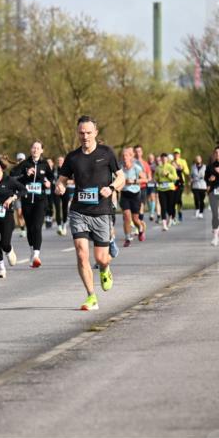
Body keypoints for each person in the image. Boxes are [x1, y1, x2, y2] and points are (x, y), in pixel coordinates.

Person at [54, 116, 124, 311]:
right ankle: (91, 297)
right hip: (79, 212)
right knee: (81, 253)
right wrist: (59, 186)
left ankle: (105, 268)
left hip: (101, 211)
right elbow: (61, 180)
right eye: (81, 133)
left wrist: (111, 188)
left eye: (88, 133)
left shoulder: (106, 153)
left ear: (96, 133)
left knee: (101, 258)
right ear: (78, 133)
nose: (84, 136)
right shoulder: (73, 157)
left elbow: (121, 177)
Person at [10, 140, 54, 268]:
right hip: (27, 199)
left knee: (37, 226)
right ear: (31, 150)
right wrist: (25, 174)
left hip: (40, 200)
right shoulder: (25, 163)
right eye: (33, 148)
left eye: (38, 148)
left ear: (42, 151)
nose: (35, 150)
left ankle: (36, 255)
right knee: (30, 227)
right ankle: (31, 251)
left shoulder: (45, 164)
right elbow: (12, 175)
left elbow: (51, 178)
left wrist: (48, 183)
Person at [119, 147, 145, 247]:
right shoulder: (120, 169)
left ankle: (141, 228)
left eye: (126, 155)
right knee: (126, 217)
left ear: (130, 157)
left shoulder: (136, 168)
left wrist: (133, 181)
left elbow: (145, 179)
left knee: (135, 219)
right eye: (123, 156)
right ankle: (128, 237)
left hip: (135, 195)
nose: (124, 157)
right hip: (125, 194)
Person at [154, 154, 179, 231]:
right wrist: (157, 179)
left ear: (167, 159)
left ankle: (170, 217)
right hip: (161, 189)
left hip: (170, 188)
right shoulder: (158, 168)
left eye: (165, 158)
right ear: (161, 159)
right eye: (162, 159)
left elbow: (175, 178)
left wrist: (168, 175)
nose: (164, 160)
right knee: (163, 206)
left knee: (170, 206)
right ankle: (164, 224)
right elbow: (156, 177)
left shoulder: (171, 167)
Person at [55, 155, 72, 236]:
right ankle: (59, 227)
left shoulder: (68, 169)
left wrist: (65, 182)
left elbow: (73, 180)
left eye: (61, 160)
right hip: (56, 191)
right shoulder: (54, 170)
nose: (60, 162)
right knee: (57, 208)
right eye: (58, 161)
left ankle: (64, 225)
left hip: (66, 190)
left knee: (64, 208)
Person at [173, 148, 189, 223]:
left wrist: (181, 168)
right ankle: (174, 214)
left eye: (177, 153)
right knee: (174, 199)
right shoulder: (171, 162)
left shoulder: (183, 161)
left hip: (180, 182)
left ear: (179, 154)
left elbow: (187, 172)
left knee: (178, 199)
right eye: (175, 153)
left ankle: (179, 213)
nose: (176, 155)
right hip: (173, 183)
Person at [191, 155, 208, 219]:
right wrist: (191, 179)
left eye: (199, 159)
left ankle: (201, 212)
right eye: (196, 159)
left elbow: (207, 175)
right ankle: (197, 209)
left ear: (201, 160)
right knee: (196, 198)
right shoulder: (193, 167)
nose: (198, 160)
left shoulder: (205, 167)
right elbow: (191, 175)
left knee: (202, 200)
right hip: (195, 185)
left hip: (203, 186)